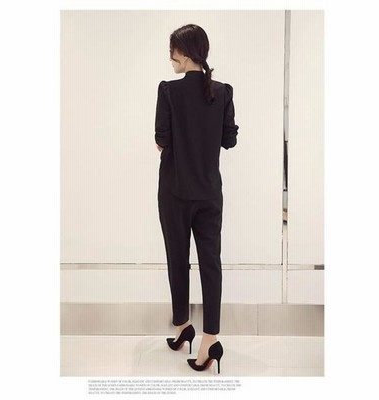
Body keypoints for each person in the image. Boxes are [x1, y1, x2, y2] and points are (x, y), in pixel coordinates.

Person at [154, 24, 239, 374]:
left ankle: (182, 325)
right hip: (210, 193)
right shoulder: (223, 92)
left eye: (172, 51)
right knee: (211, 264)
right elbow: (229, 140)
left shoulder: (169, 91)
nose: (170, 58)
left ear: (186, 54)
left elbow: (161, 141)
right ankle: (209, 339)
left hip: (175, 192)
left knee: (178, 260)